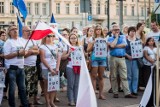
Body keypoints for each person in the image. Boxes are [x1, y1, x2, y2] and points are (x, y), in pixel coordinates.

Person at [107, 24, 137, 98]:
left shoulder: (123, 37)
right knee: (113, 76)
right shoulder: (109, 38)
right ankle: (115, 92)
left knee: (124, 76)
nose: (117, 31)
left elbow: (124, 45)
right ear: (112, 31)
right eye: (115, 30)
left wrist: (114, 46)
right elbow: (112, 46)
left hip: (122, 58)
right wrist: (116, 38)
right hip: (113, 58)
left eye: (118, 29)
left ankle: (127, 93)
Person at [3, 25, 28, 107]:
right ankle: (12, 105)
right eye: (12, 29)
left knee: (22, 89)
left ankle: (25, 105)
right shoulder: (8, 42)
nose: (15, 30)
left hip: (21, 68)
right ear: (9, 33)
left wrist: (25, 53)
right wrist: (18, 53)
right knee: (12, 90)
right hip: (12, 68)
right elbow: (6, 56)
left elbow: (25, 53)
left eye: (16, 29)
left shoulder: (20, 41)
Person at [21, 26, 42, 106]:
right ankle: (26, 102)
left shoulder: (33, 40)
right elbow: (24, 55)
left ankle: (34, 100)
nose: (30, 32)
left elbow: (38, 51)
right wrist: (33, 51)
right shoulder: (21, 41)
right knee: (27, 85)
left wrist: (30, 51)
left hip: (34, 65)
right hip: (25, 66)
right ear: (23, 31)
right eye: (27, 31)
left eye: (30, 30)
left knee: (35, 84)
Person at [40, 33, 61, 107]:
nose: (51, 37)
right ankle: (47, 103)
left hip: (55, 67)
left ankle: (52, 102)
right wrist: (50, 68)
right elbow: (42, 59)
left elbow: (58, 58)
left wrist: (57, 68)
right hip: (46, 68)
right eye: (49, 36)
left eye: (52, 36)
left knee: (54, 86)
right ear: (45, 37)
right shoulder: (42, 47)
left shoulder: (56, 46)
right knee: (47, 86)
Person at [87, 25, 107, 100]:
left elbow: (107, 49)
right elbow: (88, 50)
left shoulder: (104, 39)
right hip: (94, 59)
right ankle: (93, 94)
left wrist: (106, 44)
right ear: (95, 30)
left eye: (99, 29)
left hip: (102, 59)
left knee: (101, 77)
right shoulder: (92, 39)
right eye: (97, 29)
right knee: (94, 77)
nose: (98, 30)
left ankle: (101, 94)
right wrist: (93, 43)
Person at [125, 26, 139, 96]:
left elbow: (140, 50)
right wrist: (127, 56)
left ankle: (135, 90)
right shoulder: (126, 40)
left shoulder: (137, 40)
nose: (132, 33)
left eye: (134, 31)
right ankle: (129, 90)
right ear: (129, 32)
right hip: (127, 59)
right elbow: (123, 50)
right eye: (131, 31)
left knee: (135, 75)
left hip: (135, 60)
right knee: (129, 76)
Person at [0, 31, 7, 100]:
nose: (4, 36)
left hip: (3, 67)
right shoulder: (2, 44)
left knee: (2, 85)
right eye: (2, 35)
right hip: (1, 67)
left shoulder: (5, 43)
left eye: (5, 35)